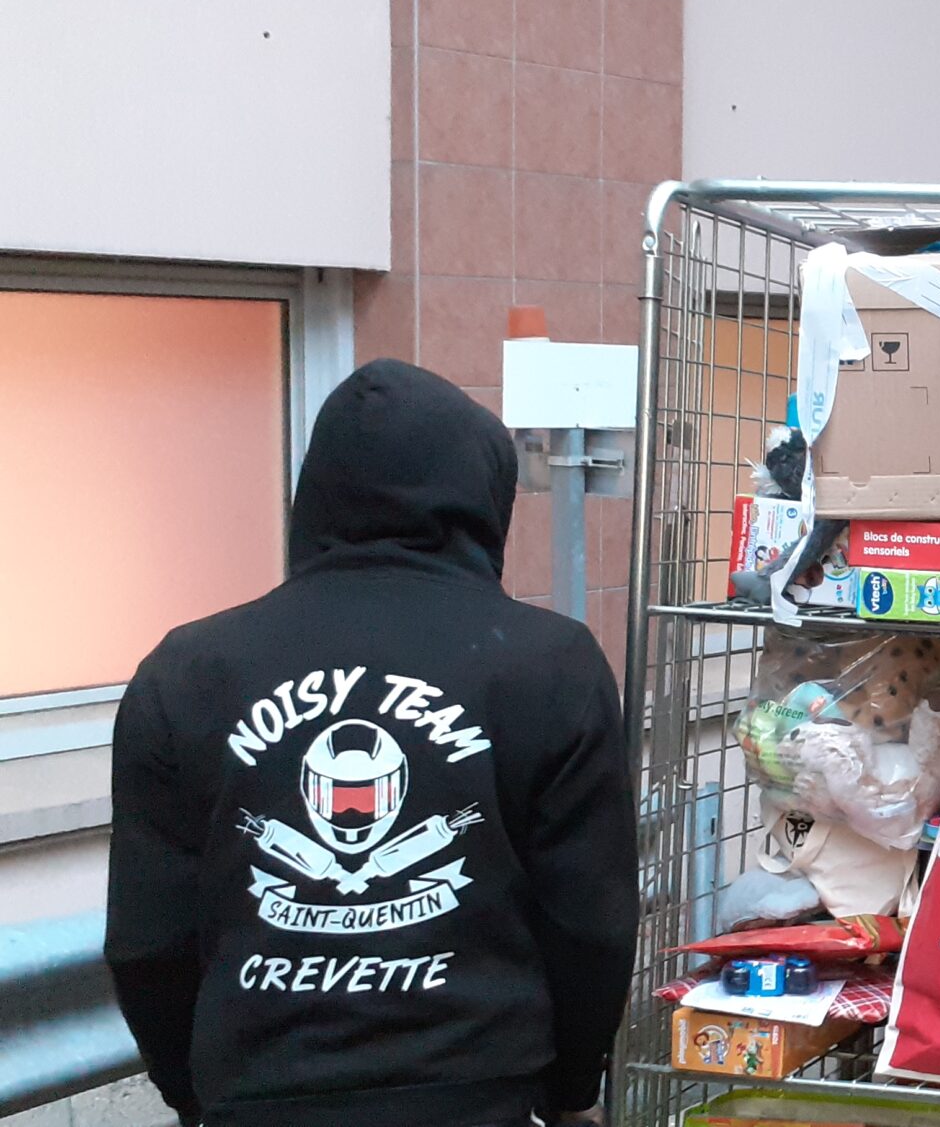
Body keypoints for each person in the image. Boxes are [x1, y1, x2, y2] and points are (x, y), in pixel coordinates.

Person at [105, 360, 638, 1127]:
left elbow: (148, 937)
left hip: (259, 1096)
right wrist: (566, 1091)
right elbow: (592, 921)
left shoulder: (187, 672)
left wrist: (197, 1093)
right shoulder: (549, 664)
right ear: (482, 497)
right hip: (479, 1092)